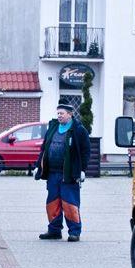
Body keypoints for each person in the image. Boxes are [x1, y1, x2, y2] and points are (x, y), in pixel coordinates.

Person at [34, 103, 90, 242]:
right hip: (53, 173)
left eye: (62, 113)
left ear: (70, 114)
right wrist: (38, 166)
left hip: (69, 174)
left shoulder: (78, 130)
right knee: (52, 203)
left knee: (70, 203)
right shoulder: (53, 128)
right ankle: (54, 230)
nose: (59, 116)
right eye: (58, 113)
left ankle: (74, 232)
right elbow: (44, 148)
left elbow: (85, 151)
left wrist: (82, 170)